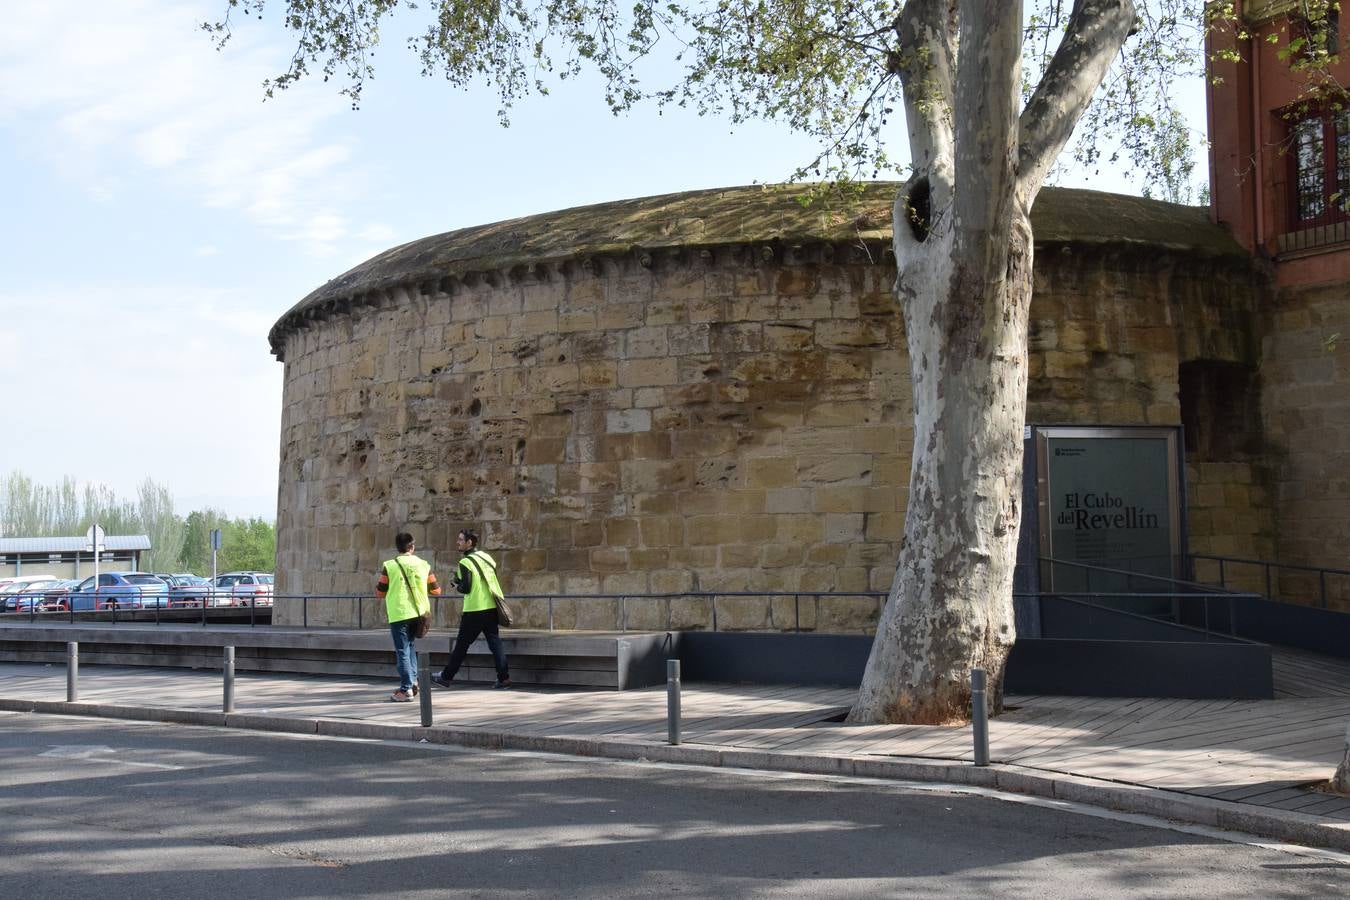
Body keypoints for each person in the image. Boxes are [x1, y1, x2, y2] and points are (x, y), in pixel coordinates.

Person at [432, 528, 511, 689]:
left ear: (469, 543)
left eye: (461, 540)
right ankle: (504, 678)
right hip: (491, 605)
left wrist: (456, 584)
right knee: (495, 643)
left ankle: (446, 677)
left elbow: (466, 588)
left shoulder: (465, 562)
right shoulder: (487, 557)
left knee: (462, 645)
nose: (458, 542)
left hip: (474, 609)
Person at [376, 531, 440, 702]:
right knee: (410, 648)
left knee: (403, 651)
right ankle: (413, 683)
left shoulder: (390, 565)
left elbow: (380, 592)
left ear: (398, 548)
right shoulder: (424, 565)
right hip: (419, 612)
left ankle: (406, 690)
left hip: (399, 612)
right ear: (412, 546)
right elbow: (436, 590)